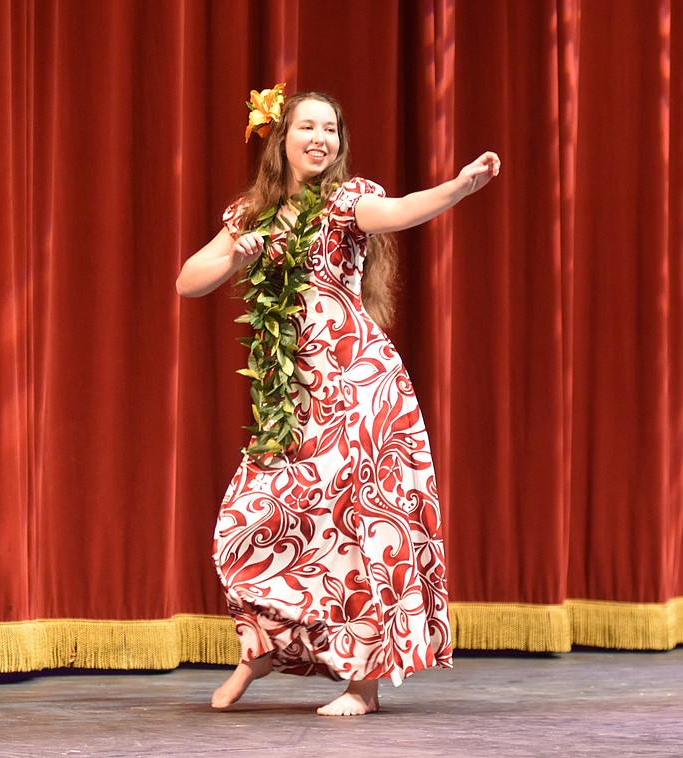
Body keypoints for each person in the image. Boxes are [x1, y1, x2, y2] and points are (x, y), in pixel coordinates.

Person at [176, 89, 500, 716]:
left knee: (359, 523)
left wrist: (459, 186)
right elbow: (189, 281)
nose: (320, 138)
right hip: (290, 398)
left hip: (357, 384)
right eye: (307, 127)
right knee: (252, 519)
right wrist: (233, 257)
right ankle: (261, 646)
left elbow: (402, 210)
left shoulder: (348, 203)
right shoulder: (252, 213)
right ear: (283, 138)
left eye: (330, 128)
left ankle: (364, 684)